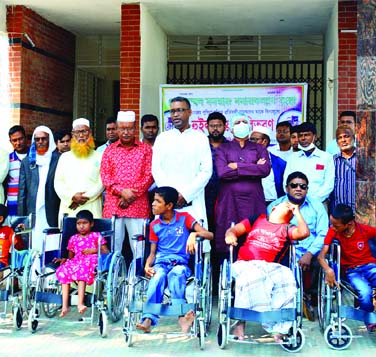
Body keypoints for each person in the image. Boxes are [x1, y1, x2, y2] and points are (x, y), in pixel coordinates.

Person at [224, 200, 310, 342]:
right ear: (274, 208)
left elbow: (304, 232)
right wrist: (230, 235)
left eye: (292, 207)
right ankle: (240, 322)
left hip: (271, 267)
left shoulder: (287, 228)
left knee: (287, 277)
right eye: (286, 204)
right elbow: (233, 230)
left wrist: (297, 212)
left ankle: (278, 327)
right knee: (254, 274)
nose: (290, 206)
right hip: (245, 263)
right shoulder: (257, 219)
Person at [136, 186, 213, 333]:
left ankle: (182, 316)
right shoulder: (154, 225)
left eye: (158, 201)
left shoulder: (184, 218)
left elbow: (209, 235)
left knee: (176, 274)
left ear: (169, 205)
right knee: (157, 277)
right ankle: (147, 318)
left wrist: (194, 235)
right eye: (153, 201)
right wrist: (147, 266)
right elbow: (152, 253)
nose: (153, 204)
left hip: (180, 263)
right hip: (161, 263)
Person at [268, 171, 329, 321]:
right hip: (285, 251)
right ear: (286, 188)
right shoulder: (275, 207)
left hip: (310, 250)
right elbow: (270, 233)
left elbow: (323, 234)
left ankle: (308, 296)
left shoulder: (317, 206)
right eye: (294, 185)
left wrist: (309, 253)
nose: (298, 189)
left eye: (303, 186)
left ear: (307, 189)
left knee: (319, 259)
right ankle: (290, 300)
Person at [214, 114, 270, 254]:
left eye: (244, 122)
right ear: (231, 129)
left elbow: (264, 170)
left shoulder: (259, 148)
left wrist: (236, 166)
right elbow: (222, 173)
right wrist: (252, 167)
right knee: (228, 238)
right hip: (230, 200)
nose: (241, 124)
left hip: (253, 200)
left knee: (255, 235)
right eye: (237, 122)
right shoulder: (223, 149)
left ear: (250, 126)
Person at [152, 96, 212, 225]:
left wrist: (185, 195)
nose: (175, 114)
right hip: (166, 203)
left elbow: (206, 171)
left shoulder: (200, 138)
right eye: (172, 111)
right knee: (166, 242)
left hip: (192, 202)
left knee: (194, 242)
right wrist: (170, 195)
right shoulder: (162, 138)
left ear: (189, 112)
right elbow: (156, 170)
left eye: (180, 110)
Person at [100, 111, 153, 255]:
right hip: (114, 206)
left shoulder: (146, 149)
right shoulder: (109, 151)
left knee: (139, 247)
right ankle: (112, 276)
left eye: (129, 128)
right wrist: (121, 192)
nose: (126, 132)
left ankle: (138, 276)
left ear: (135, 128)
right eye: (122, 129)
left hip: (138, 205)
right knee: (112, 245)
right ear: (117, 129)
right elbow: (105, 176)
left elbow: (149, 176)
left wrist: (130, 196)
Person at [55, 209, 108, 317]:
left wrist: (93, 250)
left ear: (91, 224)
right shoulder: (73, 238)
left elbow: (106, 251)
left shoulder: (96, 236)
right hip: (77, 261)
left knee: (81, 270)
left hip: (92, 261)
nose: (81, 226)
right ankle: (65, 306)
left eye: (85, 223)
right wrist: (66, 261)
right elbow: (71, 255)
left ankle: (80, 303)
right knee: (63, 271)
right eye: (79, 224)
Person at [18, 126, 61, 250]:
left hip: (52, 209)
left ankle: (49, 269)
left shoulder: (58, 159)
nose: (40, 142)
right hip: (33, 209)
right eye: (37, 139)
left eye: (44, 139)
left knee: (51, 242)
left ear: (50, 140)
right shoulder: (27, 161)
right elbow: (22, 192)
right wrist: (22, 217)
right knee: (35, 243)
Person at [54, 118, 104, 218]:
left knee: (93, 233)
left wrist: (83, 198)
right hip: (70, 207)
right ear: (73, 135)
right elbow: (58, 183)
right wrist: (72, 197)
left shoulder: (100, 156)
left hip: (92, 206)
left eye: (84, 131)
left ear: (90, 133)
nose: (81, 136)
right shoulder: (64, 157)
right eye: (77, 132)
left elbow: (102, 183)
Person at [284, 122, 335, 205]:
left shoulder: (326, 157)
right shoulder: (292, 158)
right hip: (295, 203)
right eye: (300, 135)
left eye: (307, 135)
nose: (303, 138)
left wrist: (314, 201)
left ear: (315, 137)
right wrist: (296, 199)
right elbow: (286, 182)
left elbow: (329, 184)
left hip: (319, 203)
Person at [250, 126, 287, 206]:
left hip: (273, 204)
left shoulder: (280, 163)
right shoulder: (243, 160)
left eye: (255, 139)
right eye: (250, 140)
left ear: (265, 141)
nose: (251, 143)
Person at [205, 111, 228, 234]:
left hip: (224, 192)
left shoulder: (230, 146)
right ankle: (206, 252)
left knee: (223, 224)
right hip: (204, 192)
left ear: (225, 127)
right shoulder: (201, 145)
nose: (215, 129)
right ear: (207, 127)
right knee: (205, 223)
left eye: (218, 125)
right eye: (212, 126)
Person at [330, 125, 357, 213]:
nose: (343, 140)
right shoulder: (332, 161)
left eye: (346, 136)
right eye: (339, 138)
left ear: (353, 138)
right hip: (338, 213)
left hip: (359, 212)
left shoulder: (363, 159)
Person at [7, 125, 28, 215]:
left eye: (20, 139)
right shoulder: (7, 159)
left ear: (26, 138)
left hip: (30, 203)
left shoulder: (35, 157)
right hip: (13, 203)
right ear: (10, 141)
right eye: (14, 140)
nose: (18, 143)